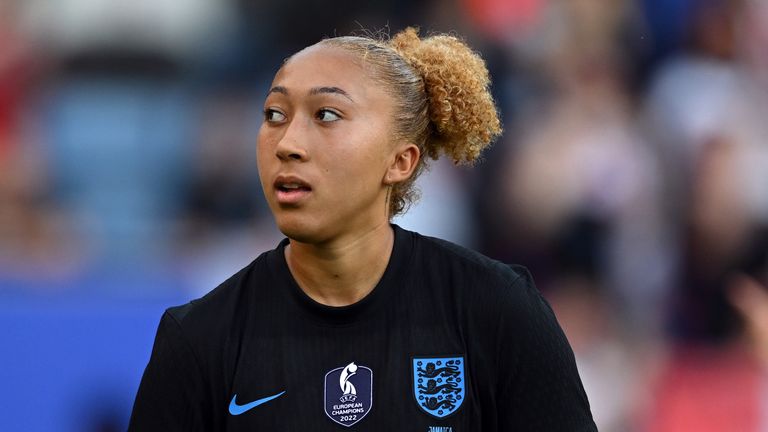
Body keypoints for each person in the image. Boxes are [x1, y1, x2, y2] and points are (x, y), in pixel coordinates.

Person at [129, 27, 596, 431]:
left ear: (400, 160)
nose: (287, 143)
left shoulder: (499, 311)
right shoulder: (198, 341)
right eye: (274, 114)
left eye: (326, 115)